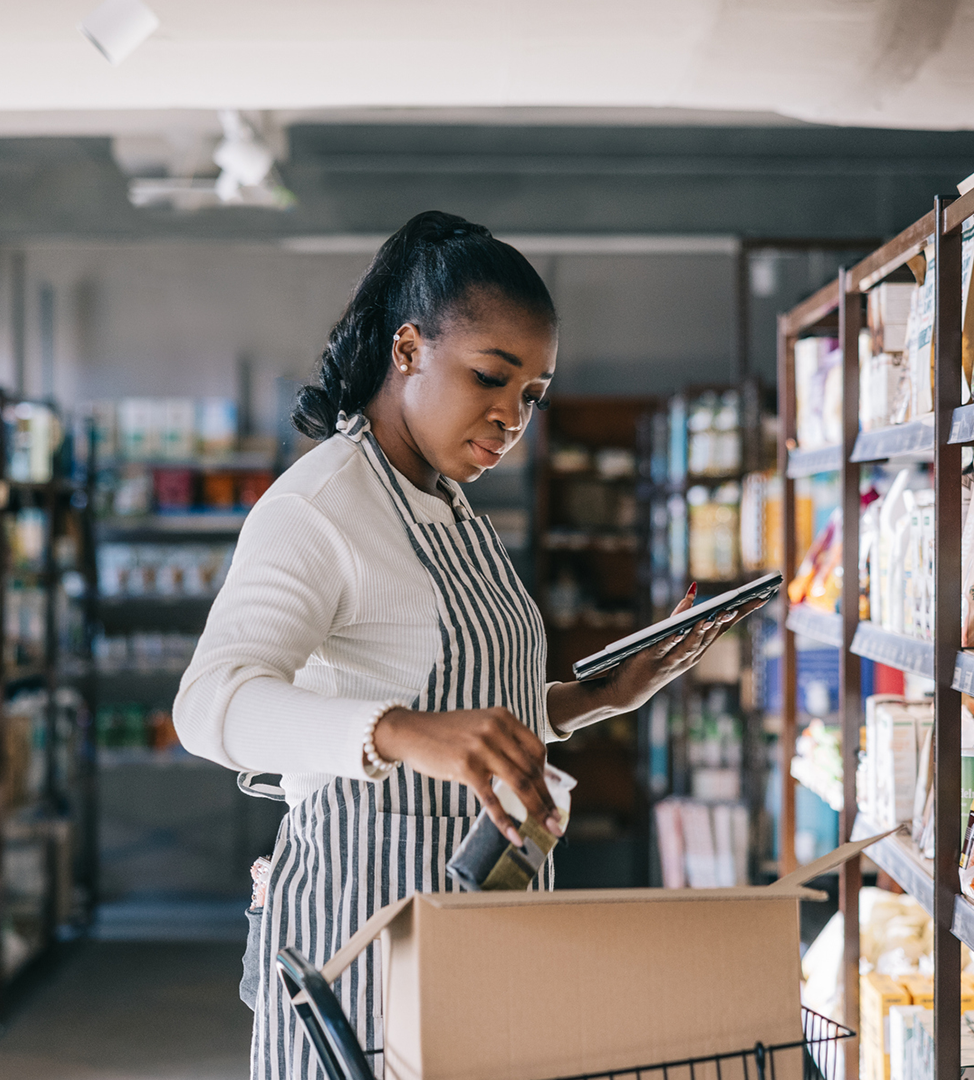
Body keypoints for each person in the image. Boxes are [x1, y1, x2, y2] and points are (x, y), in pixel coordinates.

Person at [174, 209, 757, 1079]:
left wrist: (600, 695)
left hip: (479, 934)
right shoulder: (319, 508)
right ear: (407, 350)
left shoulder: (449, 504)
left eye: (532, 395)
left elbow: (469, 716)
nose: (512, 417)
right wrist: (399, 732)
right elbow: (207, 705)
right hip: (363, 944)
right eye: (491, 377)